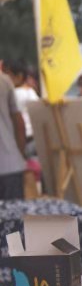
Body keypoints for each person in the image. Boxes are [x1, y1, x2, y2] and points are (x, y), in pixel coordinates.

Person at [0, 69, 26, 199]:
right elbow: (19, 123)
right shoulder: (4, 80)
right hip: (10, 165)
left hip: (10, 166)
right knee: (14, 218)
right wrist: (20, 155)